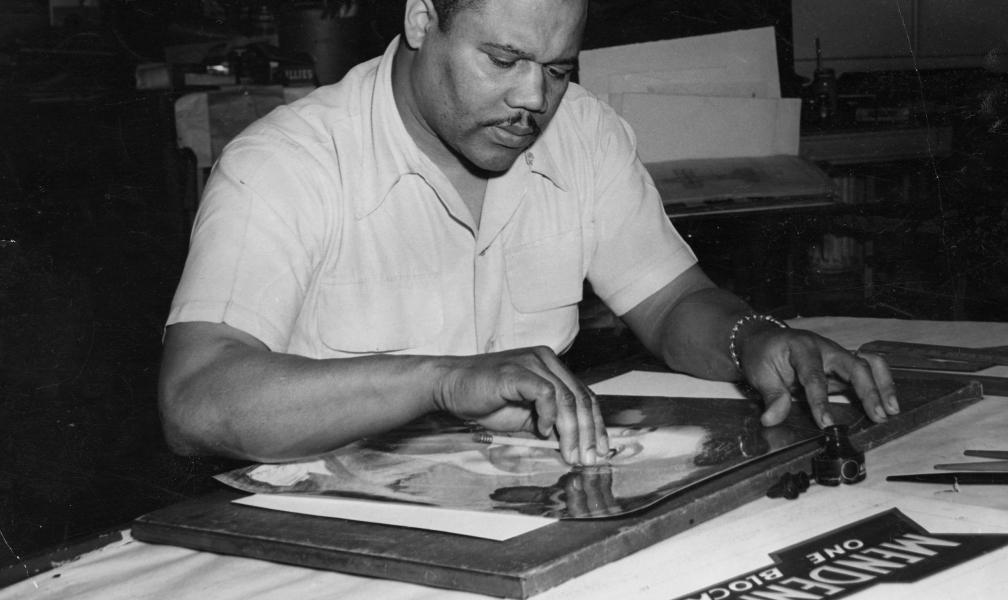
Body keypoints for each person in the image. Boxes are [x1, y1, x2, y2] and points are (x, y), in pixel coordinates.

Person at [158, 0, 899, 469]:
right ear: (422, 18)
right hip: (325, 536)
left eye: (558, 68)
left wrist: (756, 340)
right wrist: (442, 380)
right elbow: (194, 401)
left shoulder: (582, 134)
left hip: (527, 499)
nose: (532, 100)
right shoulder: (286, 165)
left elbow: (672, 302)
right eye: (504, 59)